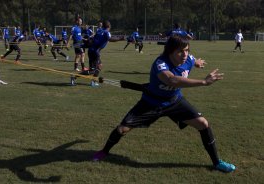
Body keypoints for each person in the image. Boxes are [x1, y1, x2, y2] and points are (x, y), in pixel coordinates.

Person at [93, 35, 236, 173]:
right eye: (180, 51)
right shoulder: (160, 64)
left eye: (187, 50)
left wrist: (197, 63)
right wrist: (204, 82)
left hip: (175, 101)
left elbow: (193, 61)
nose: (184, 54)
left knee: (203, 124)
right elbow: (172, 80)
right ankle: (104, 151)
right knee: (122, 129)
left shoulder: (189, 59)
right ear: (170, 51)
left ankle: (217, 163)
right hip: (151, 103)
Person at [88, 20, 123, 87]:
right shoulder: (106, 32)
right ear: (108, 26)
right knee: (92, 70)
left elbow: (94, 38)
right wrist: (120, 39)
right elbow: (110, 39)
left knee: (99, 66)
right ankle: (75, 76)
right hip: (95, 52)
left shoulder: (99, 30)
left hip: (92, 50)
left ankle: (93, 81)